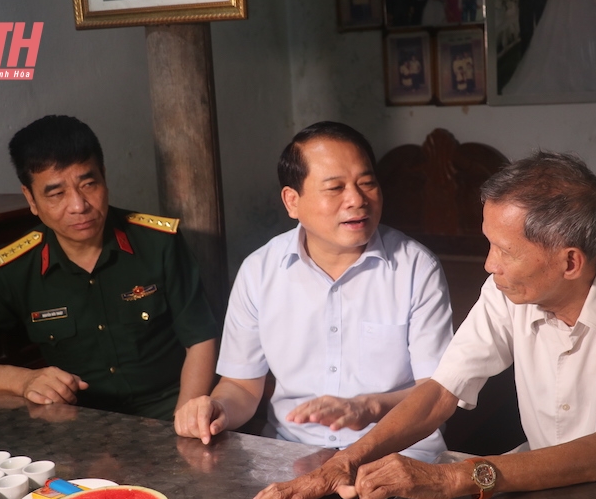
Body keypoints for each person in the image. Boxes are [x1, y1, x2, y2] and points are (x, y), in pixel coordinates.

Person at [244, 150, 596, 499]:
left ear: (570, 262)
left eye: (504, 250)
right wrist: (343, 462)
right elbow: (442, 390)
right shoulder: (507, 290)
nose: (488, 264)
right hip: (535, 482)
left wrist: (454, 478)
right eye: (488, 243)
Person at [173, 121, 453, 463]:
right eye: (335, 188)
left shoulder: (415, 267)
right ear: (293, 201)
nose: (357, 200)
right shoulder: (259, 271)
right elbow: (242, 387)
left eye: (367, 183)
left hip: (397, 452)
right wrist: (216, 408)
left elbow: (437, 392)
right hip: (292, 454)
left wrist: (369, 406)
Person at [0, 115, 218, 421]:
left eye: (89, 184)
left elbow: (200, 339)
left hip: (169, 409)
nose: (79, 206)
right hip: (80, 425)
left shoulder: (159, 243)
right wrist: (21, 380)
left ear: (104, 177)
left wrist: (184, 421)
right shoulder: (13, 269)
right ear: (30, 198)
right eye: (56, 194)